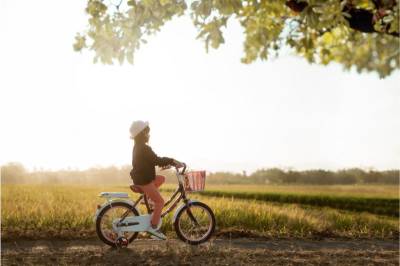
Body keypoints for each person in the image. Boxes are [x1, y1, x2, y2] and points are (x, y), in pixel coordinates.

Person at [129, 120, 183, 240]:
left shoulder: (138, 147)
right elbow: (156, 159)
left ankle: (148, 199)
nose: (149, 135)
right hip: (144, 180)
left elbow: (149, 161)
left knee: (161, 178)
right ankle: (153, 228)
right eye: (147, 132)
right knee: (160, 202)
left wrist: (163, 164)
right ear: (142, 133)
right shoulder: (144, 148)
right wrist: (173, 161)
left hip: (141, 178)